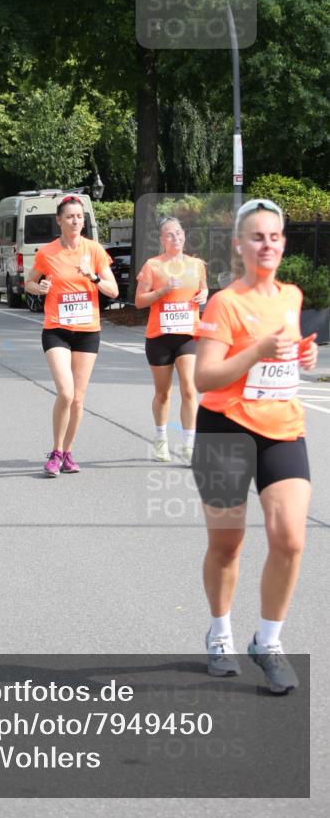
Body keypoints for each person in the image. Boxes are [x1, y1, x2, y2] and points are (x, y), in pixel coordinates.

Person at [192, 198, 318, 692]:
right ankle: (220, 632)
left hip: (283, 427)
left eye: (274, 237)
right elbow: (205, 376)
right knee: (228, 544)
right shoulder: (225, 302)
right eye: (257, 237)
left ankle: (268, 642)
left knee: (290, 538)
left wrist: (300, 357)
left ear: (282, 244)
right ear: (239, 245)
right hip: (225, 428)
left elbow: (285, 357)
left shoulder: (291, 296)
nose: (267, 245)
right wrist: (258, 351)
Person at [24, 194, 118, 477]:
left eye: (79, 216)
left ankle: (67, 451)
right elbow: (29, 282)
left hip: (87, 331)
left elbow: (113, 291)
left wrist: (94, 277)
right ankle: (54, 451)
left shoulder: (94, 250)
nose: (75, 221)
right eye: (69, 217)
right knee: (65, 392)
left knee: (78, 398)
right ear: (59, 221)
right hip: (57, 330)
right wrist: (37, 289)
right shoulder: (47, 252)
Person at [135, 217, 208, 463]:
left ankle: (189, 445)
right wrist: (163, 290)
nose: (175, 238)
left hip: (187, 334)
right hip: (160, 337)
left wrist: (204, 295)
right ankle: (161, 439)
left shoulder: (196, 264)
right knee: (163, 393)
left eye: (178, 233)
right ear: (161, 240)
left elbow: (203, 289)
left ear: (184, 235)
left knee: (189, 389)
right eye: (169, 235)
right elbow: (139, 301)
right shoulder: (153, 266)